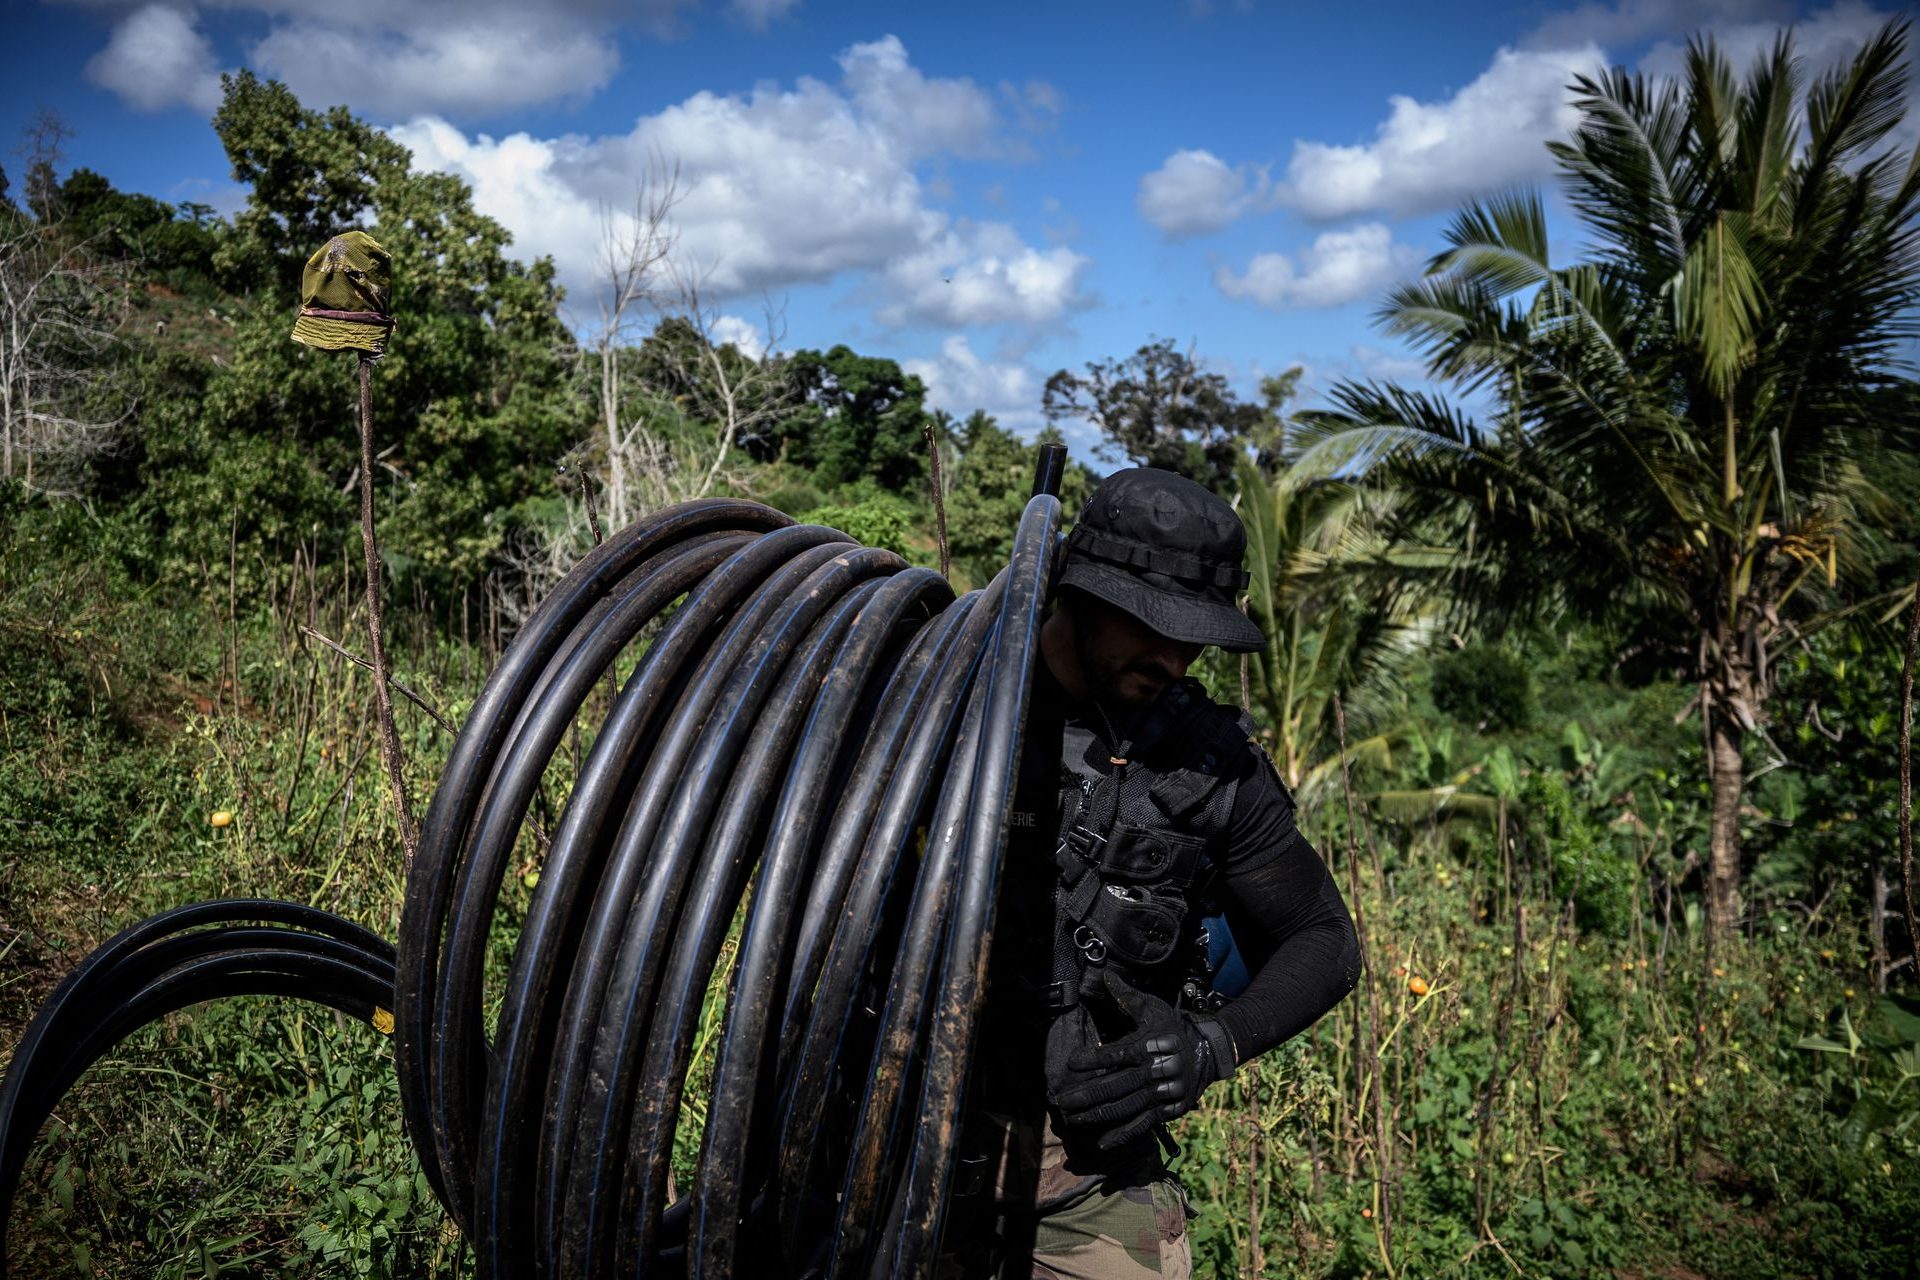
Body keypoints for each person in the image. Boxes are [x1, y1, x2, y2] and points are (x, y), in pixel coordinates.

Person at [942, 467, 1362, 1278]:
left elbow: (1326, 940)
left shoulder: (1212, 767)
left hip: (1081, 1190)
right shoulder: (943, 702)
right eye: (1149, 627)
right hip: (872, 1138)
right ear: (1081, 595)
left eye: (1193, 634)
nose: (1173, 658)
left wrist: (1211, 1047)